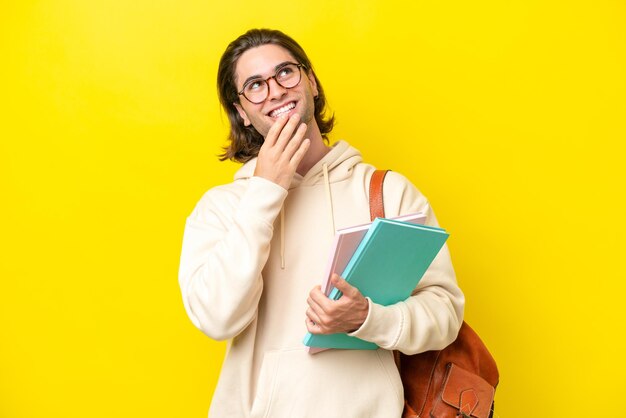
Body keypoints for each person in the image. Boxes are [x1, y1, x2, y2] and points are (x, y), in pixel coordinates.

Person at [178, 28, 464, 418]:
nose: (276, 90)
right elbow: (216, 318)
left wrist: (368, 318)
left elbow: (444, 313)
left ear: (310, 81)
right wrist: (265, 193)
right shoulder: (222, 208)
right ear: (241, 111)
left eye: (286, 73)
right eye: (256, 85)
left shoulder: (385, 192)